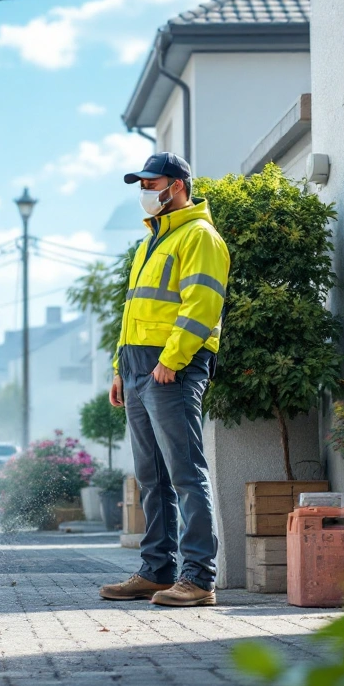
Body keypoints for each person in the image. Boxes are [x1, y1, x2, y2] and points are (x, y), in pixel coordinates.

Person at [98, 152, 230, 608]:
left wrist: (172, 359)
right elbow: (133, 311)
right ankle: (156, 571)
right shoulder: (150, 242)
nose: (145, 191)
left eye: (151, 184)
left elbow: (202, 305)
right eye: (142, 184)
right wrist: (120, 368)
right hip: (138, 367)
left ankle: (199, 578)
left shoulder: (200, 236)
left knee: (185, 474)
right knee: (151, 477)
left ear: (177, 186)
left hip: (171, 366)